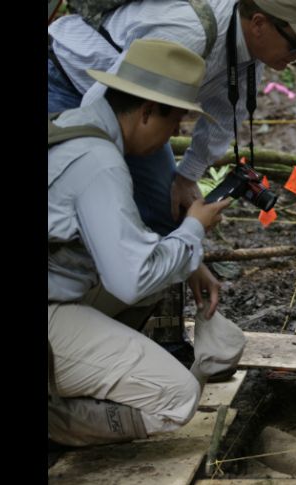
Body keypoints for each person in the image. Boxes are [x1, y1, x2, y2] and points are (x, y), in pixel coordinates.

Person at [48, 39, 246, 447]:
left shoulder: (75, 125)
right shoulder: (98, 162)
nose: (173, 135)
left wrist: (191, 261)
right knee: (176, 399)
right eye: (174, 125)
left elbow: (127, 249)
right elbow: (133, 279)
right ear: (145, 113)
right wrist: (193, 229)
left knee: (157, 273)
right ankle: (55, 420)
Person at [49, 0, 296, 235]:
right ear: (259, 24)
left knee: (168, 209)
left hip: (137, 113)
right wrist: (106, 175)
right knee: (82, 201)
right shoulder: (188, 33)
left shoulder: (251, 58)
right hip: (68, 80)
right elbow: (99, 103)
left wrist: (187, 176)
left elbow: (226, 116)